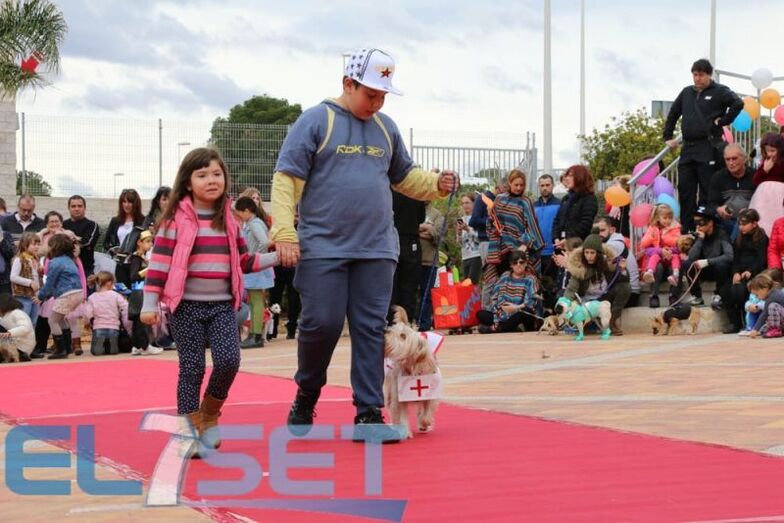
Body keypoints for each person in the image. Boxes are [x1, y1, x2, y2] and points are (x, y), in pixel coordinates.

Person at [270, 47, 457, 442]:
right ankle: (307, 390)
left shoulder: (386, 128)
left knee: (371, 329)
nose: (377, 103)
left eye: (383, 96)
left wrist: (436, 185)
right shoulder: (316, 121)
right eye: (370, 94)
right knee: (321, 323)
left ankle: (368, 413)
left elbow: (405, 175)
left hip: (376, 249)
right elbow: (287, 179)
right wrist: (284, 233)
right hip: (323, 247)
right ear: (348, 84)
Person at [140, 147, 278, 457]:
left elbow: (244, 260)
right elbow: (159, 264)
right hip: (185, 306)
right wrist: (149, 303)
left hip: (222, 306)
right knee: (192, 368)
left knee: (229, 361)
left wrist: (277, 257)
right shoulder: (174, 220)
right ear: (188, 183)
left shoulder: (229, 219)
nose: (211, 180)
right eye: (202, 175)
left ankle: (210, 413)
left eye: (217, 174)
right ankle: (188, 433)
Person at [663, 58, 744, 232]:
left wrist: (723, 121)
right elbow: (673, 113)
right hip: (688, 148)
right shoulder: (687, 92)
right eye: (694, 75)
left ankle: (707, 230)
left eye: (700, 75)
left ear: (709, 75)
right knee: (685, 190)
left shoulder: (720, 91)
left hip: (708, 146)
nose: (697, 78)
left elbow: (738, 103)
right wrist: (667, 136)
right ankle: (687, 230)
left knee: (707, 191)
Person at [483, 169, 544, 307]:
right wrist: (490, 215)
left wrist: (524, 244)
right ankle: (497, 312)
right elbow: (492, 222)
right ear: (509, 183)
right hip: (500, 250)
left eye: (521, 185)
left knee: (520, 283)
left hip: (519, 250)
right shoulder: (499, 199)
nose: (519, 188)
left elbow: (532, 227)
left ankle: (520, 312)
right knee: (500, 283)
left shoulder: (525, 202)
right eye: (516, 184)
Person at [563, 233, 631, 335]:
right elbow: (571, 289)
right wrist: (563, 305)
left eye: (592, 253)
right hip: (586, 304)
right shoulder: (579, 267)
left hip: (604, 300)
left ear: (599, 254)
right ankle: (586, 324)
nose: (589, 256)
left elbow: (623, 281)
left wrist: (623, 269)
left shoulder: (608, 264)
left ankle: (612, 321)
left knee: (625, 287)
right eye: (586, 252)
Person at [235, 196, 275, 349]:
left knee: (256, 301)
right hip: (255, 267)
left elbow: (264, 242)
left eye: (240, 212)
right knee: (254, 301)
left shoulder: (254, 224)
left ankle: (256, 335)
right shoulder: (253, 223)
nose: (239, 215)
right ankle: (254, 333)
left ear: (246, 210)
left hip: (255, 268)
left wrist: (256, 257)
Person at [720, 209, 768, 333]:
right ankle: (735, 322)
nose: (741, 227)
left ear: (754, 223)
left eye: (745, 224)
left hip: (756, 273)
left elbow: (761, 259)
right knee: (725, 290)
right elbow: (735, 258)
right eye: (740, 224)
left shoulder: (762, 238)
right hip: (740, 272)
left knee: (741, 290)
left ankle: (748, 322)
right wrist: (735, 272)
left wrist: (750, 271)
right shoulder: (739, 238)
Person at [37, 234, 83, 360]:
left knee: (52, 320)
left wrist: (41, 296)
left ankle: (61, 350)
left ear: (54, 247)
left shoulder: (55, 262)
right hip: (77, 293)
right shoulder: (69, 260)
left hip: (67, 294)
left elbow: (50, 282)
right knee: (61, 318)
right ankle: (67, 347)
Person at [677, 206, 733, 307]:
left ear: (710, 223)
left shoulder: (721, 234)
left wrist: (708, 261)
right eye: (696, 223)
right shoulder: (699, 235)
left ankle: (719, 295)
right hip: (703, 269)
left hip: (718, 269)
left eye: (701, 223)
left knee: (722, 265)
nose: (698, 226)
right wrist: (700, 240)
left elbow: (729, 256)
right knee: (687, 263)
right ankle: (696, 296)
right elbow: (691, 257)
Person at [476, 250, 538, 333]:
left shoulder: (531, 279)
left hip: (520, 311)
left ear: (526, 263)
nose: (518, 265)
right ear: (511, 265)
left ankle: (496, 329)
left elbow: (531, 302)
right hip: (503, 314)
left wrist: (516, 308)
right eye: (515, 263)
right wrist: (501, 309)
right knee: (480, 314)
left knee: (523, 314)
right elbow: (495, 296)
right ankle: (509, 327)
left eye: (521, 262)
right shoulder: (505, 276)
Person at [390, 192, 425, 323]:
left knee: (392, 284)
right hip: (411, 240)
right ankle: (407, 321)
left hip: (392, 239)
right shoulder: (416, 192)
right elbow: (421, 218)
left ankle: (391, 319)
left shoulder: (388, 190)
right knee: (409, 285)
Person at [707, 144, 754, 239]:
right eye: (727, 159)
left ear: (744, 159)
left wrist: (749, 212)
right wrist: (719, 209)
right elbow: (711, 204)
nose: (731, 163)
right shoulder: (718, 177)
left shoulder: (754, 176)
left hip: (750, 220)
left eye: (734, 158)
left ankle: (732, 245)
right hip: (726, 221)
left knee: (743, 220)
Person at [596, 216, 640, 308]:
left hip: (629, 293)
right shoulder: (614, 241)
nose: (599, 234)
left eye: (602, 230)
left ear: (612, 230)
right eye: (596, 231)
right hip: (622, 289)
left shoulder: (614, 244)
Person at [551, 165, 598, 248]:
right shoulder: (566, 198)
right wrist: (556, 237)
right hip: (561, 245)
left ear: (580, 177)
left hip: (578, 246)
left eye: (571, 176)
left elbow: (585, 224)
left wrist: (568, 238)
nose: (566, 178)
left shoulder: (589, 198)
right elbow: (557, 220)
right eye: (566, 176)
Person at [639, 204, 682, 293]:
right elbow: (646, 248)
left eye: (670, 218)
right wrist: (660, 250)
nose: (668, 220)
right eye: (665, 218)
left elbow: (680, 246)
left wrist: (670, 250)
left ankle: (674, 295)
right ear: (658, 218)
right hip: (657, 262)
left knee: (675, 263)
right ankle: (653, 295)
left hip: (671, 259)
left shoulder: (675, 228)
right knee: (658, 266)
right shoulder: (652, 229)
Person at [83, 271, 128, 356]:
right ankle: (112, 347)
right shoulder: (115, 295)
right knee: (113, 350)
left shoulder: (92, 297)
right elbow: (125, 307)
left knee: (96, 352)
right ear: (109, 282)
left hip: (98, 328)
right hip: (113, 327)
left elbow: (88, 313)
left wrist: (87, 323)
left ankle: (100, 346)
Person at [418, 203, 444, 331]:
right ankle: (410, 322)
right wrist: (427, 227)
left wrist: (418, 231)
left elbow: (438, 235)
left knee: (427, 294)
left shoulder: (437, 214)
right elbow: (405, 228)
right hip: (412, 259)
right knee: (410, 293)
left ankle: (424, 324)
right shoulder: (412, 209)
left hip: (430, 261)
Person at [534, 174, 561, 286]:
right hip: (536, 252)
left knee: (552, 285)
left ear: (553, 185)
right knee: (537, 285)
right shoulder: (533, 205)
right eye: (542, 185)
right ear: (539, 187)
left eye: (547, 185)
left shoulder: (560, 204)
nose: (545, 188)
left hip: (553, 252)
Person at [63, 195, 100, 276]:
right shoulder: (63, 224)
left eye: (80, 206)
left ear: (84, 208)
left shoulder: (92, 225)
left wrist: (71, 237)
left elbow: (87, 242)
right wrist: (79, 239)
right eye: (73, 206)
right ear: (69, 208)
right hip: (64, 268)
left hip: (86, 269)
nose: (77, 209)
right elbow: (59, 244)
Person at [10, 232, 41, 326]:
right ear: (25, 245)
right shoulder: (19, 259)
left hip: (35, 296)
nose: (37, 247)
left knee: (33, 322)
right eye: (34, 244)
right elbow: (13, 277)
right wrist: (29, 282)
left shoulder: (35, 259)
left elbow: (36, 277)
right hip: (23, 296)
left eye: (38, 244)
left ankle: (31, 336)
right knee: (23, 323)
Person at [104, 188, 145, 254]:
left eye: (130, 202)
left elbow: (146, 243)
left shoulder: (143, 221)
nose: (126, 205)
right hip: (117, 259)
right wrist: (113, 250)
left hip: (135, 259)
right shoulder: (115, 221)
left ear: (136, 204)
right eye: (124, 201)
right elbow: (106, 243)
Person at [747, 274, 784, 339]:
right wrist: (757, 329)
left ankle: (775, 330)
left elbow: (764, 314)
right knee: (763, 330)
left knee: (772, 306)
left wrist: (755, 329)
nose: (757, 297)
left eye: (757, 295)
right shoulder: (770, 295)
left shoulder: (773, 296)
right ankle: (778, 329)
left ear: (764, 288)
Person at [0, 294, 35, 362]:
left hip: (21, 346)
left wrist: (9, 333)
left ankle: (22, 356)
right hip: (11, 343)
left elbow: (25, 328)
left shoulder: (18, 313)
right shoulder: (5, 315)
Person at [456, 193, 481, 284]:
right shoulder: (462, 219)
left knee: (471, 284)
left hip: (476, 255)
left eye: (467, 203)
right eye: (463, 203)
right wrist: (459, 233)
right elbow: (459, 243)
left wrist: (467, 229)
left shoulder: (478, 218)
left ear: (474, 203)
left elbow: (481, 238)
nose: (465, 206)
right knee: (466, 286)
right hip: (465, 256)